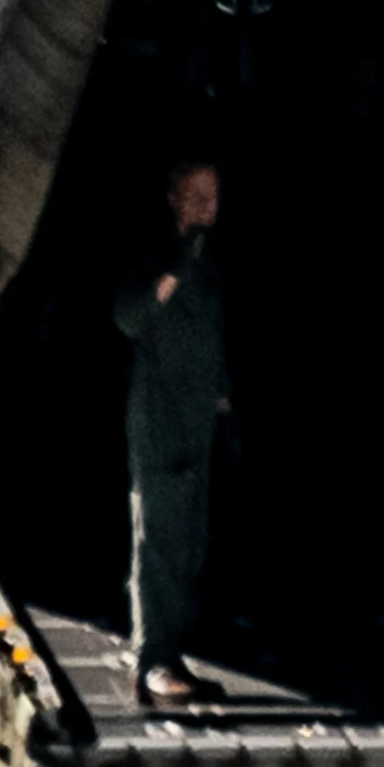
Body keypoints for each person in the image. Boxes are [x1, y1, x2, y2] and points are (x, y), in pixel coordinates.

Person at [115, 159, 230, 706]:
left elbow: (211, 333)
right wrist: (169, 275)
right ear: (174, 197)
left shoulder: (208, 262)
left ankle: (172, 650)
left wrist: (222, 396)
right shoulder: (156, 256)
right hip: (160, 414)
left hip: (197, 415)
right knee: (158, 534)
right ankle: (152, 659)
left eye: (214, 195)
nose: (207, 206)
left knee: (190, 540)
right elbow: (128, 318)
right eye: (197, 194)